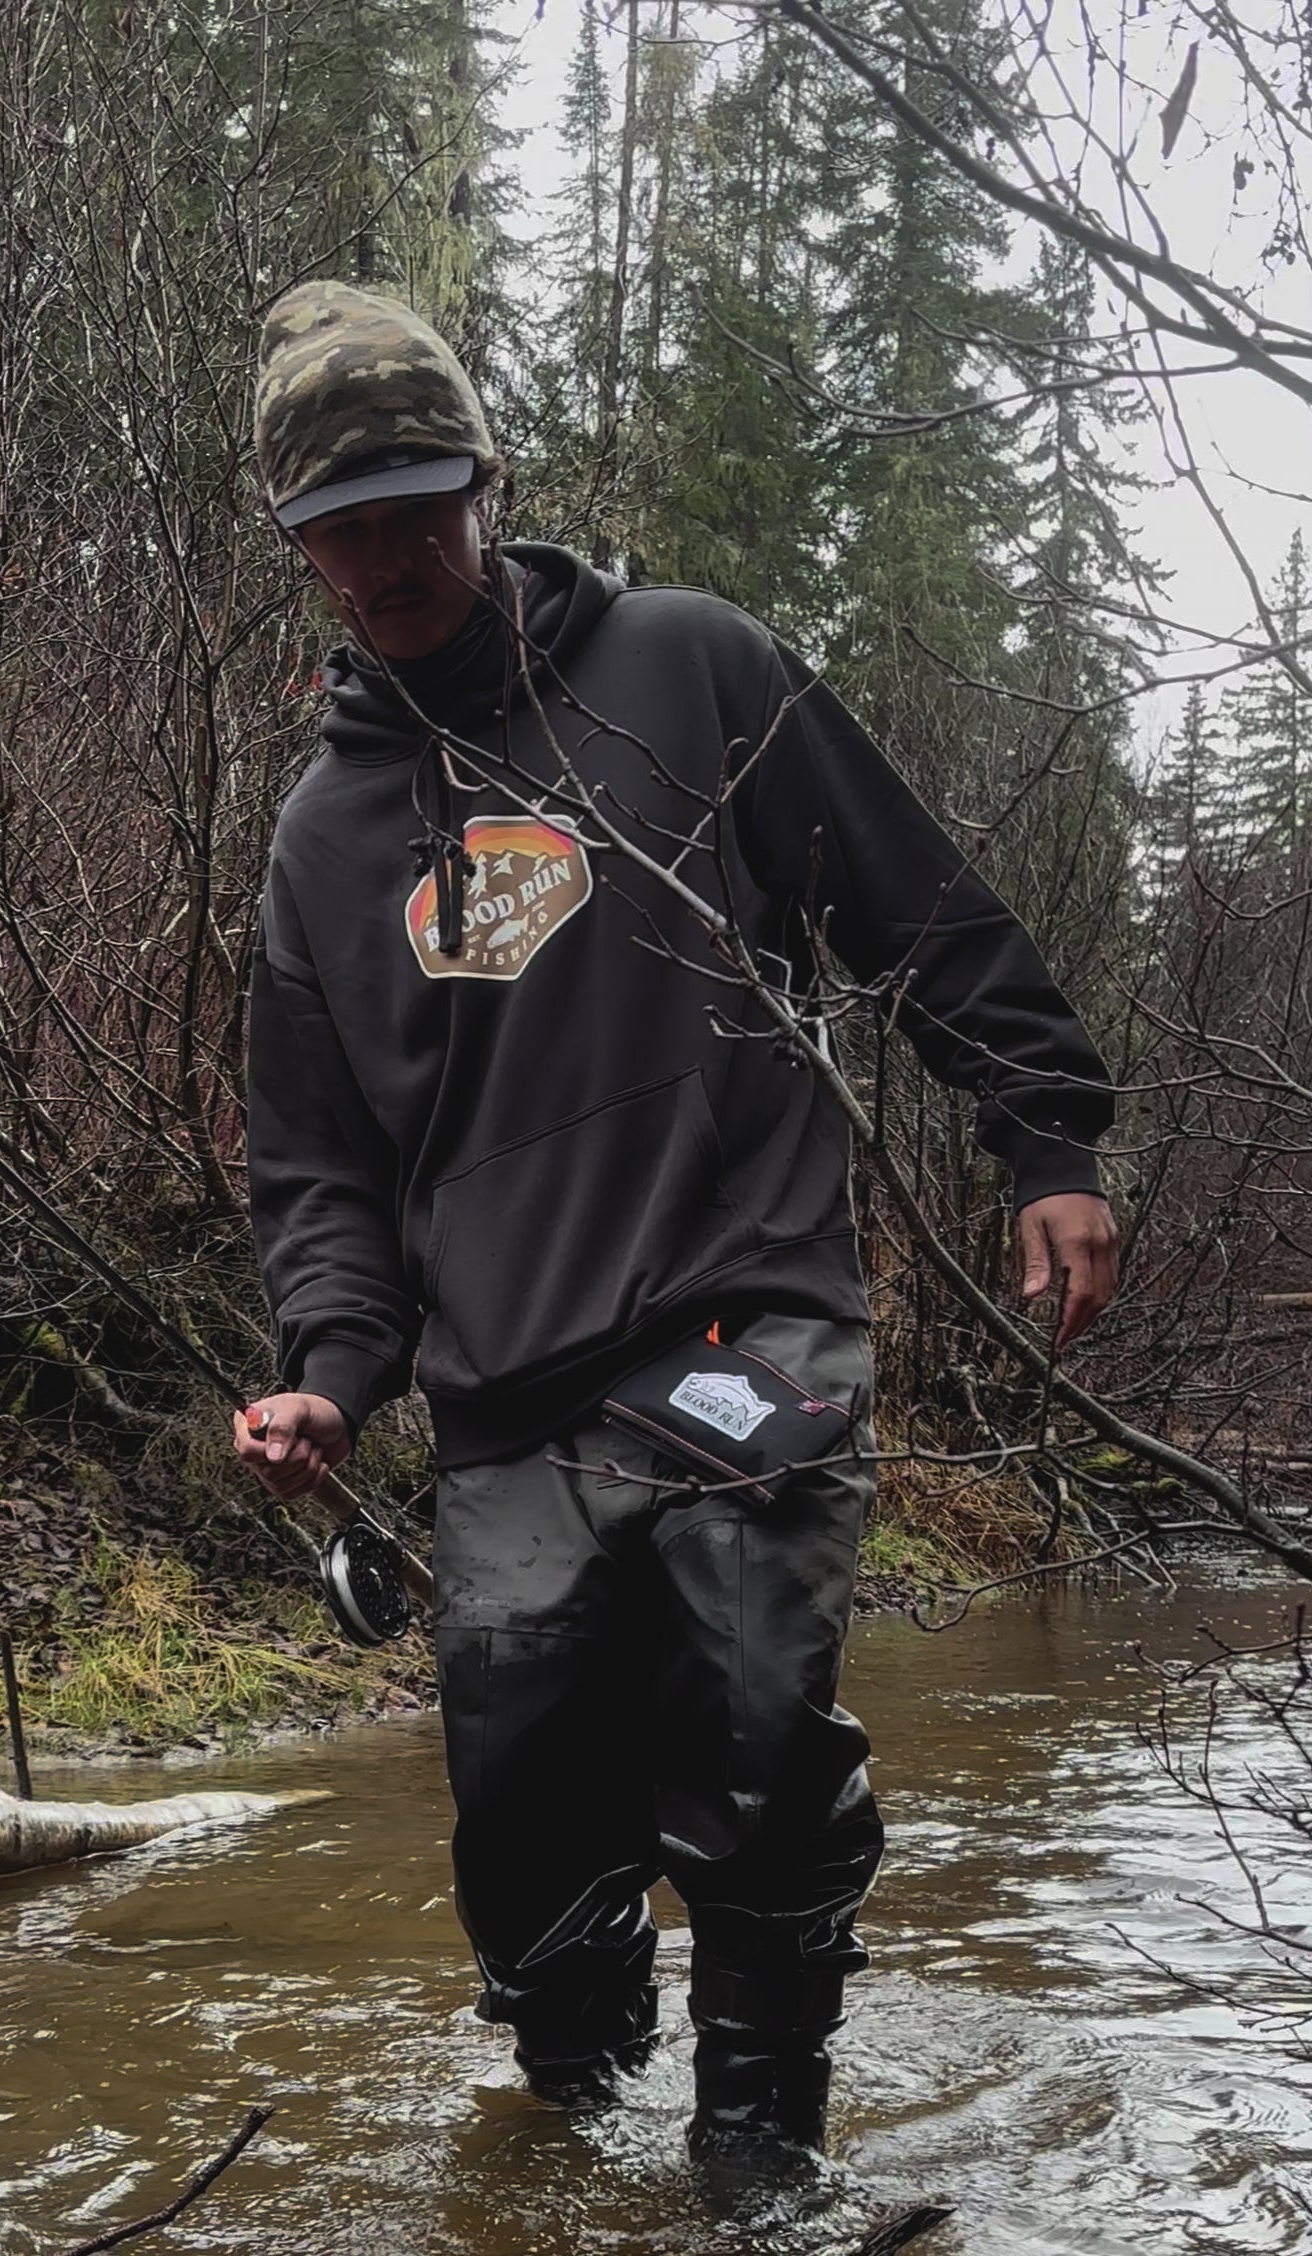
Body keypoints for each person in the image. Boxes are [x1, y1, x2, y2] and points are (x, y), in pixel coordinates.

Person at [237, 279, 1117, 2158]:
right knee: (531, 1835)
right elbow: (322, 1173)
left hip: (745, 1311)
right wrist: (326, 1373)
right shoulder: (322, 845)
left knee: (748, 1723)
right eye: (344, 525)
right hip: (502, 1396)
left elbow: (911, 903)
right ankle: (565, 2188)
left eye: (418, 501)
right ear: (301, 550)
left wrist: (1046, 1134)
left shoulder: (688, 671)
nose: (389, 553)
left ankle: (761, 2176)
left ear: (487, 484)